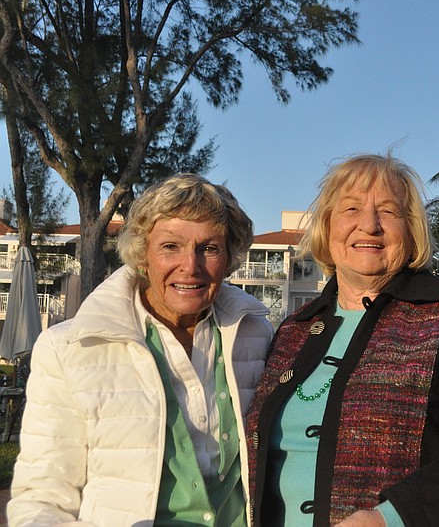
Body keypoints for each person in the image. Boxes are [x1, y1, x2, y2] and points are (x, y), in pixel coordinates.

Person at [246, 153, 439, 526]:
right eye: (350, 209)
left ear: (411, 231)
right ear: (327, 228)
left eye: (389, 212)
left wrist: (391, 519)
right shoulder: (294, 329)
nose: (369, 225)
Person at [7, 173, 273, 526]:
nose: (190, 267)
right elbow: (43, 497)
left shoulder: (256, 334)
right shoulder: (69, 348)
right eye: (170, 246)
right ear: (142, 253)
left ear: (228, 257)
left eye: (208, 248)